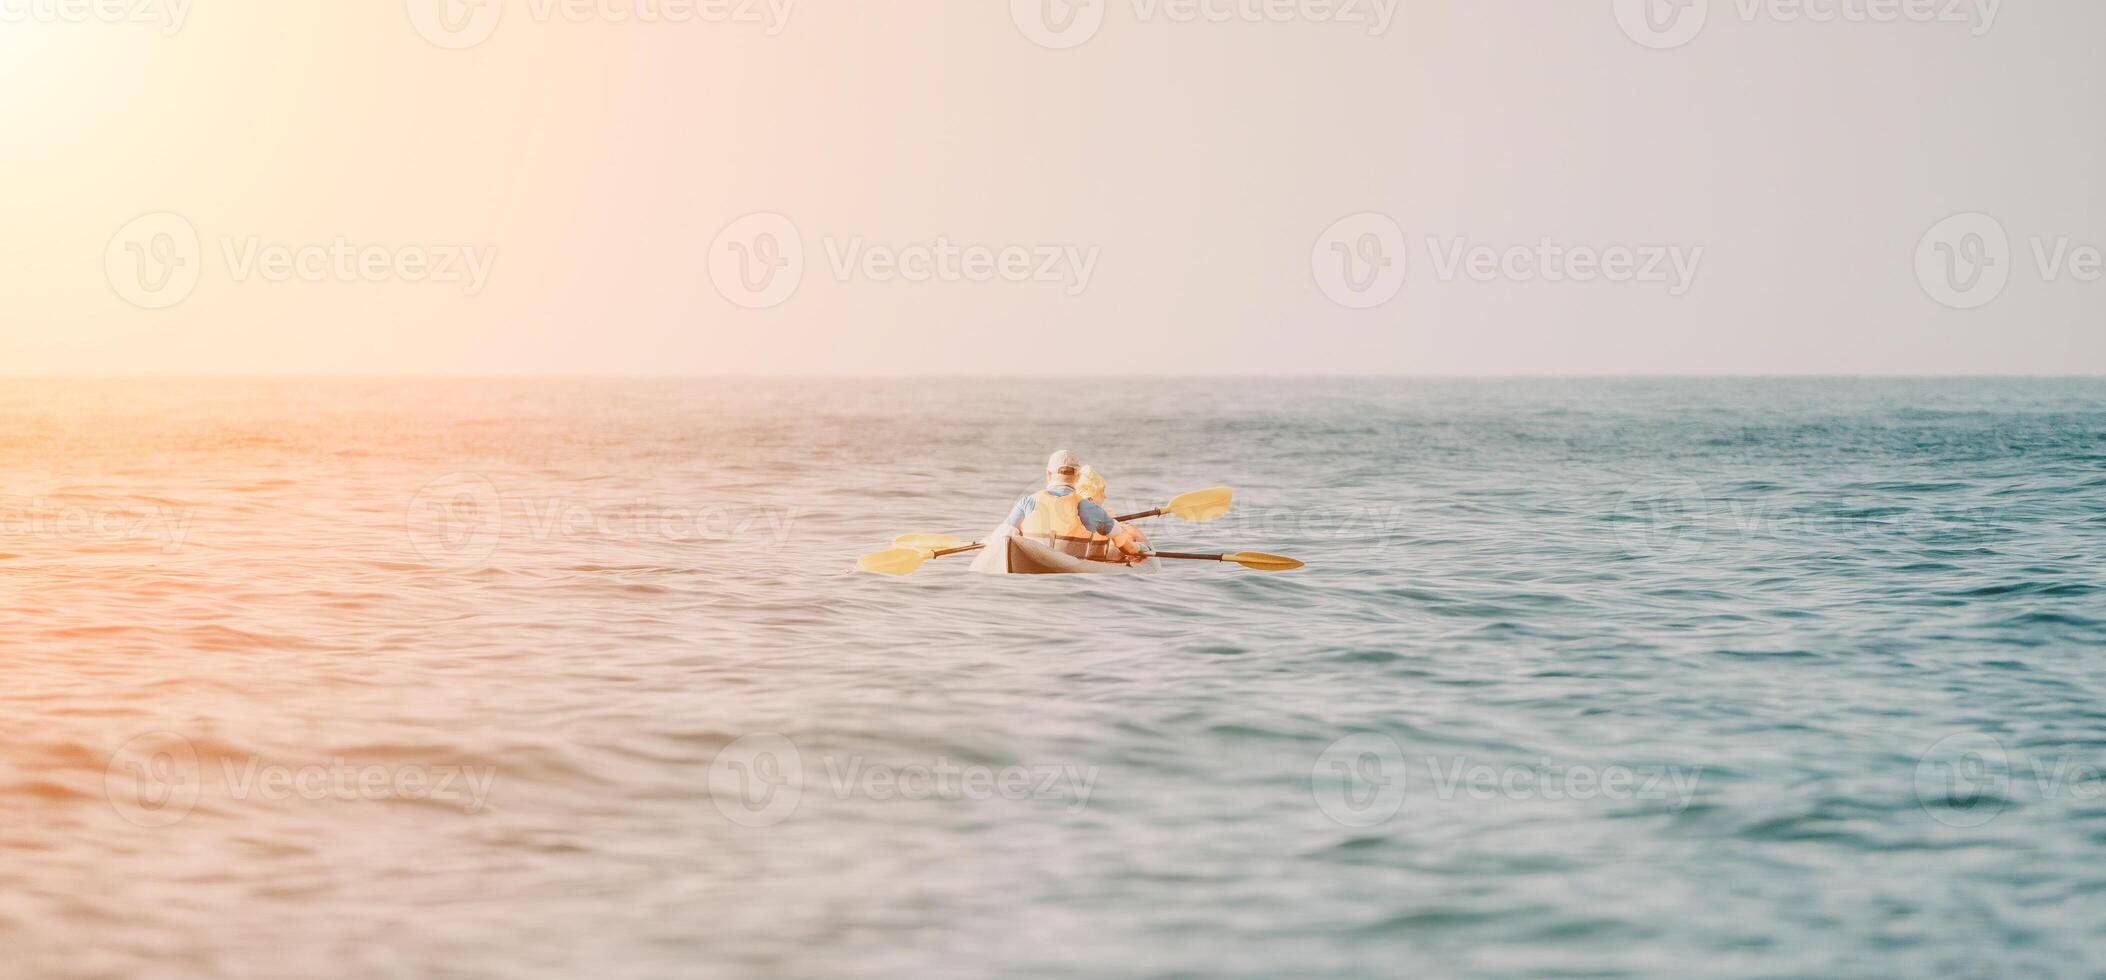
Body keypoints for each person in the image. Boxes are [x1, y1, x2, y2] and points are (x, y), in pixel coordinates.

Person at [1002, 450, 1147, 563]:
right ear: (1077, 477)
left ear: (1048, 474)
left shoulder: (1026, 502)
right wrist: (1137, 549)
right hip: (1070, 567)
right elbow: (1121, 538)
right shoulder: (1088, 508)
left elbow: (1003, 534)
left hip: (1030, 560)